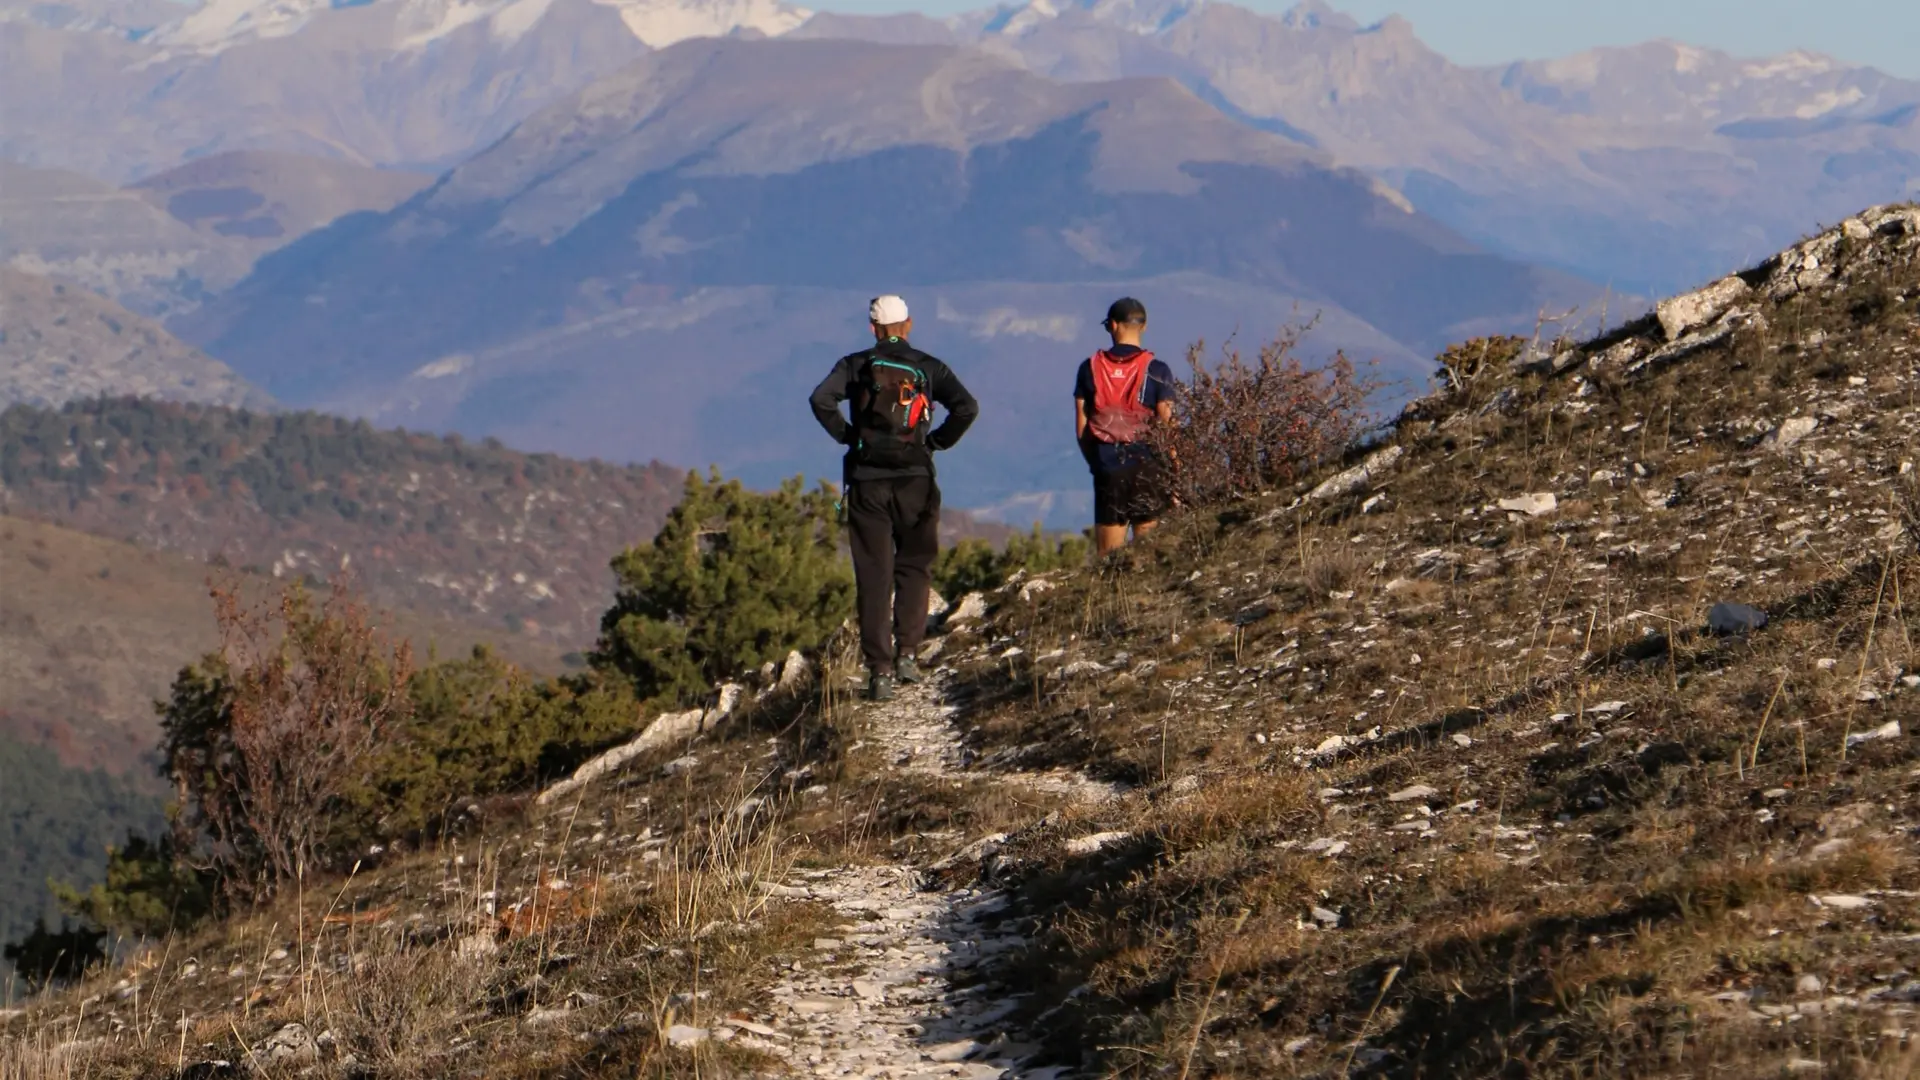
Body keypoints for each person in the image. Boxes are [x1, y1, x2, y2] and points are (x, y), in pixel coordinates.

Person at [810, 295, 978, 702]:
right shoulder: (928, 366)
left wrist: (851, 437)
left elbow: (820, 400)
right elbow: (967, 408)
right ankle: (907, 654)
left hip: (868, 482)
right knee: (915, 567)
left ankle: (879, 672)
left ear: (873, 328)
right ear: (908, 325)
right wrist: (934, 443)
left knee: (873, 576)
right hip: (915, 479)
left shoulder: (854, 365)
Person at [1075, 297, 1174, 554]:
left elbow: (1081, 426)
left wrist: (1095, 462)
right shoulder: (1157, 370)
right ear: (1144, 326)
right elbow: (1167, 422)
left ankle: (1114, 594)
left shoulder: (1089, 368)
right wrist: (1175, 467)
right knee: (1149, 557)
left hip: (1108, 467)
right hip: (1148, 468)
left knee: (1109, 560)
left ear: (1113, 326)